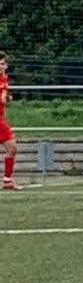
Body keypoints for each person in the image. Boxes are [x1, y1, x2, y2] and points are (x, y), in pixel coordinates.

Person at [0, 51, 20, 190]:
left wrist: (7, 99)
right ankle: (7, 180)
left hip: (1, 119)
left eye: (2, 64)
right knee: (12, 148)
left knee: (12, 148)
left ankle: (7, 180)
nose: (0, 67)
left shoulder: (4, 78)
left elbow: (5, 99)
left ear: (6, 65)